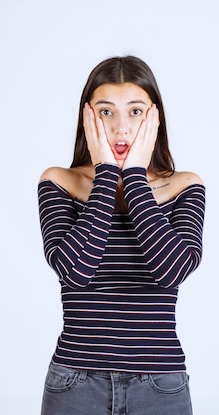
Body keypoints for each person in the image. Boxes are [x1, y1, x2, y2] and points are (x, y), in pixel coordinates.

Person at [37, 55, 205, 415]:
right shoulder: (58, 182)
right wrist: (106, 173)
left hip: (159, 384)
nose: (120, 128)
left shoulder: (185, 187)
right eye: (106, 112)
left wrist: (133, 178)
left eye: (135, 111)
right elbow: (75, 271)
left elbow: (171, 271)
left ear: (154, 117)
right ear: (87, 117)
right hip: (75, 383)